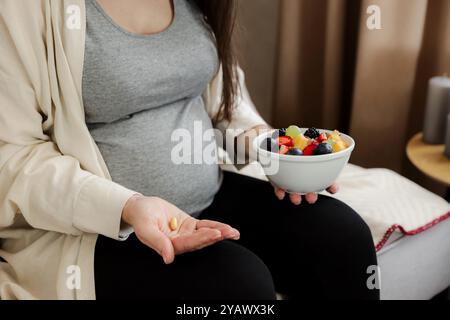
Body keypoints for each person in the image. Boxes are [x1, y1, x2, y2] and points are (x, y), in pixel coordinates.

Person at [0, 0, 379, 300]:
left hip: (209, 194)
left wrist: (270, 149)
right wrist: (128, 207)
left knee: (343, 237)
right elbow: (14, 156)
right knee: (241, 287)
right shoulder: (26, 9)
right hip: (99, 228)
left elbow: (223, 103)